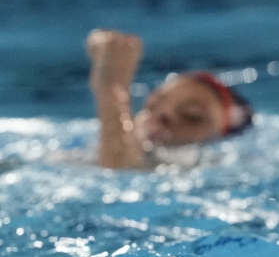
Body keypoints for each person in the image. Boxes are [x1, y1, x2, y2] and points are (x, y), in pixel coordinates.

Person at [85, 29, 253, 169]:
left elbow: (122, 171)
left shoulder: (198, 168)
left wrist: (112, 89)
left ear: (218, 138)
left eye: (191, 116)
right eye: (156, 102)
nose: (164, 114)